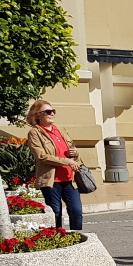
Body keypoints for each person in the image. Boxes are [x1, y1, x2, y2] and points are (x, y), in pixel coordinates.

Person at [26, 99, 84, 231]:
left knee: (76, 211)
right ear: (37, 115)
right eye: (48, 111)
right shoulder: (35, 133)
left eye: (53, 111)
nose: (52, 114)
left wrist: (75, 153)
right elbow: (41, 156)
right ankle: (58, 237)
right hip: (52, 180)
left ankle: (77, 237)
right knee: (55, 212)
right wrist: (67, 161)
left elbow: (72, 149)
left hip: (70, 178)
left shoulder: (60, 130)